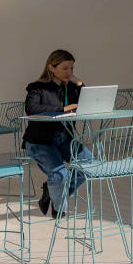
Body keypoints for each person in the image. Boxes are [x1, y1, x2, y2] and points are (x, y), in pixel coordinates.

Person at [22, 49, 92, 217]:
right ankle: (60, 211)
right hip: (40, 142)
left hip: (64, 139)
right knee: (60, 174)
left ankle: (51, 192)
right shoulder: (37, 87)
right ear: (51, 68)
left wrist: (79, 82)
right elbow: (31, 109)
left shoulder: (71, 88)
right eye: (65, 68)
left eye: (72, 68)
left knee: (88, 164)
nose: (69, 72)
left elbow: (89, 100)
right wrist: (63, 109)